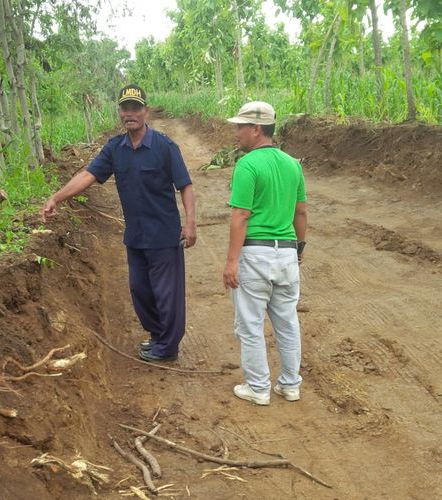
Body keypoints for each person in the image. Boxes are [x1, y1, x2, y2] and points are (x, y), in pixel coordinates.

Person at [41, 84, 196, 362]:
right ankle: (158, 336)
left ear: (145, 111)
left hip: (163, 234)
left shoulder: (164, 147)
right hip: (135, 236)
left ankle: (168, 347)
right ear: (120, 113)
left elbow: (185, 185)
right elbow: (88, 176)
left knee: (167, 293)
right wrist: (57, 198)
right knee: (140, 289)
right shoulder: (115, 149)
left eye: (136, 108)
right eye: (125, 108)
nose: (130, 113)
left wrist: (191, 223)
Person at [223, 101, 307, 405]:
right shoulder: (293, 164)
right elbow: (300, 212)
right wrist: (299, 248)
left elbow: (241, 216)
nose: (236, 133)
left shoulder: (247, 165)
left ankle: (258, 387)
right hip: (286, 254)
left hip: (256, 255)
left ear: (256, 129)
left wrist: (232, 261)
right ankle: (290, 384)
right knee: (287, 323)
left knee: (250, 325)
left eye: (240, 127)